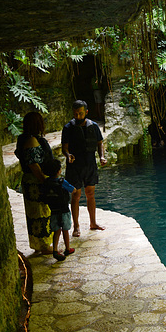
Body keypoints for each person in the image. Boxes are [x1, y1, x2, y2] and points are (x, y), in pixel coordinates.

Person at [61, 99, 107, 237]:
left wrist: (102, 157)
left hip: (90, 163)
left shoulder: (93, 126)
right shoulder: (68, 128)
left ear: (86, 112)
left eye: (81, 113)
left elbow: (100, 143)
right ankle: (76, 226)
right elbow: (65, 148)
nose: (78, 116)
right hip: (74, 165)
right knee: (75, 195)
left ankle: (93, 223)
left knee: (90, 194)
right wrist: (68, 155)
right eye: (75, 114)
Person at [14, 112, 54, 254]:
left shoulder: (23, 138)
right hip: (36, 183)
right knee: (40, 213)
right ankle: (43, 245)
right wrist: (46, 181)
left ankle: (38, 244)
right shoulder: (31, 140)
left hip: (30, 182)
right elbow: (34, 165)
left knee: (34, 214)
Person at [40, 158, 76, 261]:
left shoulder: (46, 182)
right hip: (64, 210)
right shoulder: (61, 181)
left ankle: (55, 250)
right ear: (59, 171)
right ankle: (68, 248)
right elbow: (73, 190)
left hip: (53, 210)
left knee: (56, 231)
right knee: (65, 229)